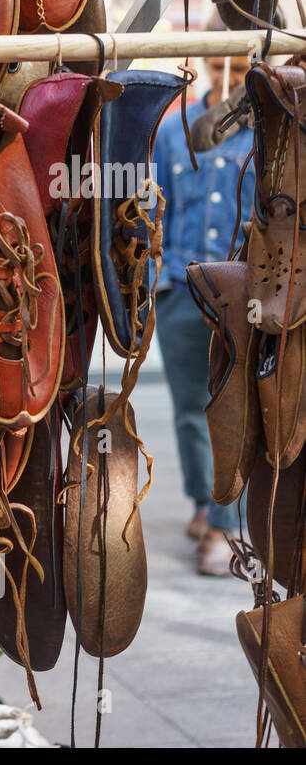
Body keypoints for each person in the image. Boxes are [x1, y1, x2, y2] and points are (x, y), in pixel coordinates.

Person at [151, 47, 253, 576]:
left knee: (229, 410)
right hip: (179, 291)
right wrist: (156, 287)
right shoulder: (176, 131)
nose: (230, 79)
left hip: (241, 298)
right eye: (220, 68)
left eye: (240, 70)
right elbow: (152, 212)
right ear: (206, 67)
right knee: (189, 409)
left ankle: (222, 524)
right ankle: (202, 503)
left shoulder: (267, 133)